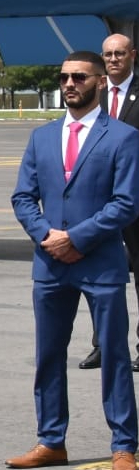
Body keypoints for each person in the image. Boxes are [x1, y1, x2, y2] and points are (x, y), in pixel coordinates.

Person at [7, 51, 139, 470]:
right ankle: (50, 441)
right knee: (48, 355)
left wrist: (77, 238)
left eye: (79, 77)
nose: (69, 84)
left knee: (115, 355)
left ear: (99, 82)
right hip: (50, 263)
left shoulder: (121, 137)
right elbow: (23, 197)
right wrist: (47, 236)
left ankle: (123, 446)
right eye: (63, 76)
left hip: (99, 263)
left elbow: (126, 203)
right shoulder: (41, 137)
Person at [78, 34, 139, 371]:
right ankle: (102, 344)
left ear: (132, 55)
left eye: (119, 53)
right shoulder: (93, 95)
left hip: (135, 199)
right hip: (100, 200)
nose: (114, 59)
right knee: (99, 275)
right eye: (108, 55)